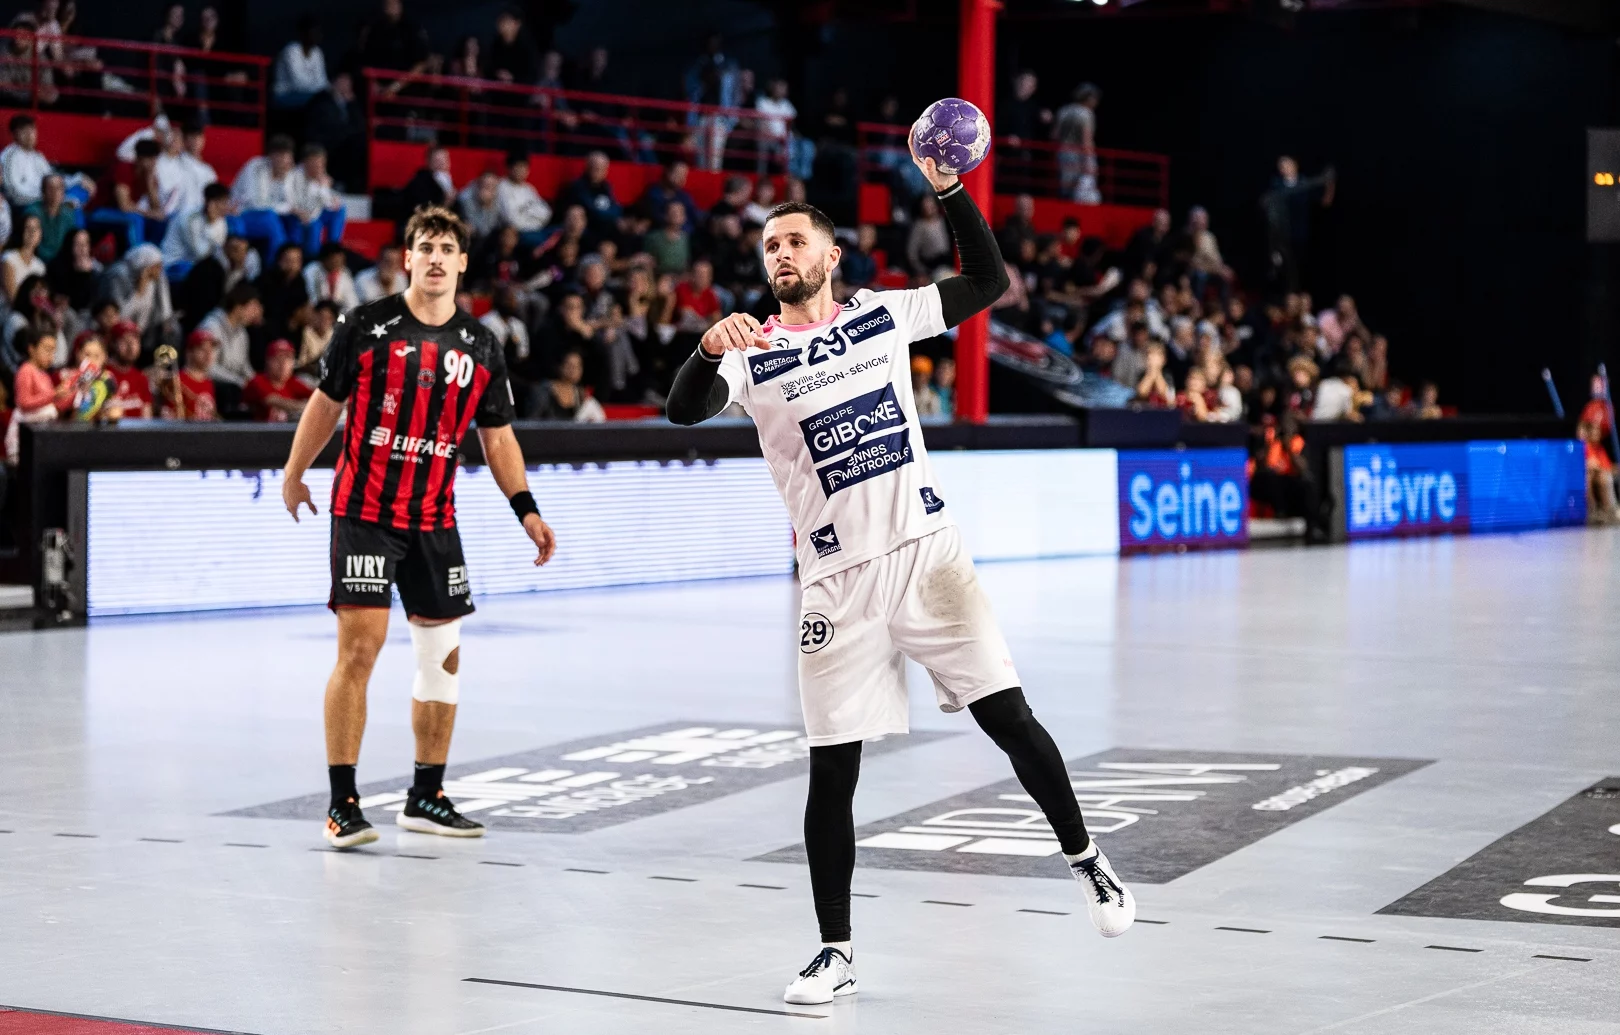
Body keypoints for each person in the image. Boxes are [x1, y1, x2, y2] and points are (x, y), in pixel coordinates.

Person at [664, 143, 1134, 1006]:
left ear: (831, 256)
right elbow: (680, 408)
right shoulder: (750, 348)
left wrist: (950, 189)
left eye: (795, 242)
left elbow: (987, 284)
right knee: (830, 770)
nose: (781, 255)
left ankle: (1087, 859)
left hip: (928, 557)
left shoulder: (880, 314)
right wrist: (701, 349)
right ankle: (835, 950)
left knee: (1011, 718)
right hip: (834, 582)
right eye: (770, 245)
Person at [279, 204, 557, 850]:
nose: (434, 257)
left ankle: (425, 794)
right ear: (407, 258)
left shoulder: (482, 345)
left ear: (463, 263)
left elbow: (498, 439)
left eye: (446, 249)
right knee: (360, 649)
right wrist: (294, 473)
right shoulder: (365, 324)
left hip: (435, 516)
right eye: (424, 246)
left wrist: (528, 511)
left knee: (443, 658)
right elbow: (325, 407)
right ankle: (342, 802)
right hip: (366, 512)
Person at [230, 135, 299, 259]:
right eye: (281, 156)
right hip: (241, 215)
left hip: (266, 217)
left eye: (287, 156)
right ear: (271, 155)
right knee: (271, 219)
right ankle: (276, 265)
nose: (285, 160)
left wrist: (282, 180)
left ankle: (294, 260)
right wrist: (285, 208)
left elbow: (291, 203)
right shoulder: (256, 166)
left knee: (295, 220)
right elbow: (256, 204)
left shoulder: (287, 173)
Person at [4, 327, 64, 465]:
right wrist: (54, 394)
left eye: (53, 351)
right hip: (24, 435)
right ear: (32, 349)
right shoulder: (26, 370)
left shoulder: (44, 374)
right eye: (47, 349)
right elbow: (23, 402)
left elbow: (53, 405)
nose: (51, 356)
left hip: (41, 434)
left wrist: (71, 390)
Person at [91, 138, 165, 248]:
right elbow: (124, 206)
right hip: (98, 211)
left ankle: (154, 257)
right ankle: (138, 258)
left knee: (161, 222)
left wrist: (149, 183)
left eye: (155, 158)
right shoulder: (124, 169)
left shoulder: (149, 176)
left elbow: (156, 209)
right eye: (149, 158)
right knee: (135, 219)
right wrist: (150, 213)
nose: (153, 162)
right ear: (139, 158)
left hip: (121, 215)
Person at [197, 282, 262, 386]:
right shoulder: (211, 327)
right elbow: (208, 367)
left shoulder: (242, 332)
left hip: (233, 385)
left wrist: (257, 383)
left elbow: (244, 366)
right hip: (212, 386)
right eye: (252, 307)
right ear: (238, 307)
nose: (256, 313)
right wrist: (239, 381)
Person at [160, 181, 230, 276]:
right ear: (208, 202)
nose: (224, 207)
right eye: (220, 203)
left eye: (225, 203)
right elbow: (200, 253)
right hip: (174, 263)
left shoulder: (221, 222)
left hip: (196, 264)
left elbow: (218, 251)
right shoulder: (189, 218)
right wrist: (211, 223)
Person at [1578, 375, 1619, 524]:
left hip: (1601, 474)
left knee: (1605, 478)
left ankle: (1611, 511)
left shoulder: (1600, 449)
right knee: (1588, 478)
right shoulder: (1584, 447)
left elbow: (1606, 466)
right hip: (1588, 475)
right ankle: (1592, 511)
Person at [242, 339, 312, 422]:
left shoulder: (292, 382)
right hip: (255, 432)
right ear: (268, 361)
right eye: (278, 358)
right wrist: (305, 407)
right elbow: (273, 401)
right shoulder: (257, 380)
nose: (283, 364)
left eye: (288, 359)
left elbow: (316, 396)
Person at [1053, 83, 1100, 204]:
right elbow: (1086, 139)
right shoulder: (1086, 113)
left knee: (1065, 188)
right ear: (1088, 98)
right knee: (1080, 189)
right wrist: (1089, 160)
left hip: (1063, 153)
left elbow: (1054, 135)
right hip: (1079, 156)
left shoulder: (1063, 111)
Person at [158, 328, 220, 421]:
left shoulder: (208, 382)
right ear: (189, 352)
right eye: (203, 349)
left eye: (211, 349)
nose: (209, 354)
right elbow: (169, 416)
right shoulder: (177, 380)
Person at [496, 153, 552, 250]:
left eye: (524, 167)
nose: (522, 171)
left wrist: (524, 211)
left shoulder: (529, 189)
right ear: (509, 168)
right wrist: (531, 212)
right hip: (516, 234)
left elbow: (546, 214)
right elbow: (511, 219)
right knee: (543, 241)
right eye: (518, 167)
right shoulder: (501, 187)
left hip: (536, 230)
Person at [532, 349, 605, 422]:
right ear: (559, 366)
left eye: (577, 366)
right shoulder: (543, 391)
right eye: (569, 364)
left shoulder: (582, 396)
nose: (573, 369)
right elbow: (531, 423)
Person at [272, 15, 328, 110]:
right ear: (304, 33)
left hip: (311, 94)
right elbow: (298, 83)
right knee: (321, 102)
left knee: (335, 99)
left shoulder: (317, 52)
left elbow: (322, 80)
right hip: (286, 94)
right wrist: (321, 92)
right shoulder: (291, 51)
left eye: (319, 32)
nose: (318, 35)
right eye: (314, 31)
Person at [104, 320, 152, 420]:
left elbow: (147, 418)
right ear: (113, 343)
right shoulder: (102, 374)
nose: (131, 346)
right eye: (124, 340)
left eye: (135, 340)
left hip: (136, 434)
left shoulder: (141, 378)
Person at [25, 174, 76, 265]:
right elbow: (32, 245)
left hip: (61, 263)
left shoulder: (68, 214)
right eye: (50, 188)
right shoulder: (33, 213)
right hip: (36, 260)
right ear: (43, 192)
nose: (55, 192)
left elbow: (70, 243)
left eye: (59, 188)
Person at [2, 212, 46, 303]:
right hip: (10, 312)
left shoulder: (40, 266)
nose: (32, 232)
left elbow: (40, 299)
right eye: (27, 228)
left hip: (29, 311)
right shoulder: (8, 259)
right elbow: (13, 298)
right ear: (21, 230)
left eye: (36, 228)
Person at [304, 242, 358, 312]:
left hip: (337, 315)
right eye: (335, 261)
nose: (339, 265)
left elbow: (352, 302)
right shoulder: (311, 271)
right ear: (324, 259)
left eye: (341, 261)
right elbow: (312, 299)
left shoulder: (345, 273)